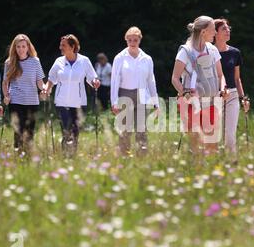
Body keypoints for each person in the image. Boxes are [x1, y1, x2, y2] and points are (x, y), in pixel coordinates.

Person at [171, 16, 227, 155]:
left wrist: (223, 89)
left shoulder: (212, 50)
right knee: (196, 142)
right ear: (203, 32)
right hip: (191, 103)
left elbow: (220, 75)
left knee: (212, 143)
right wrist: (184, 92)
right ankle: (196, 171)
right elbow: (175, 78)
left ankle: (212, 173)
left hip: (212, 102)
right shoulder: (185, 51)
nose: (215, 33)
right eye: (213, 30)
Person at [43, 34, 100, 156]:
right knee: (66, 130)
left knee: (75, 131)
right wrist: (47, 88)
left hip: (79, 103)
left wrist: (95, 82)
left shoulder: (84, 61)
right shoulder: (59, 61)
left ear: (72, 46)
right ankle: (66, 156)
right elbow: (51, 79)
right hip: (61, 102)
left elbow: (92, 77)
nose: (60, 47)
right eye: (60, 45)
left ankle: (72, 156)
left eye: (63, 45)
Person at [110, 27, 159, 155]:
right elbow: (114, 80)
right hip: (125, 94)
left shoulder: (147, 59)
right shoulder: (119, 58)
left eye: (135, 40)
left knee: (141, 130)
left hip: (143, 96)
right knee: (125, 130)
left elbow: (151, 80)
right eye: (130, 40)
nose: (132, 43)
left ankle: (141, 157)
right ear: (126, 40)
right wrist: (114, 101)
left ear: (139, 40)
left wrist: (156, 101)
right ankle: (124, 157)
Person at [2, 34, 46, 153]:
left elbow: (39, 82)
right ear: (14, 48)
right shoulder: (9, 62)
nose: (21, 49)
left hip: (32, 101)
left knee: (30, 131)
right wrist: (6, 95)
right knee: (19, 129)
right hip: (16, 100)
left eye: (23, 46)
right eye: (18, 47)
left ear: (28, 47)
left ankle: (28, 155)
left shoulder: (35, 61)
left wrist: (44, 89)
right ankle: (18, 154)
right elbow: (5, 83)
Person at [214, 18, 250, 154]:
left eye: (229, 28)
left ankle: (232, 163)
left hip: (232, 96)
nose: (228, 31)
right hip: (213, 96)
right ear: (215, 33)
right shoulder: (208, 52)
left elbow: (237, 78)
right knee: (214, 136)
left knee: (230, 136)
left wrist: (243, 98)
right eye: (224, 29)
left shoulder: (235, 53)